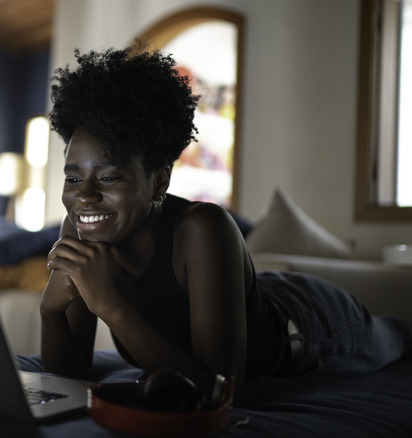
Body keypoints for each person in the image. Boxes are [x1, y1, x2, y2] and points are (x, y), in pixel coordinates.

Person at [40, 42, 412, 405]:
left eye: (108, 177)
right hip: (251, 295)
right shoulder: (81, 230)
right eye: (73, 179)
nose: (84, 196)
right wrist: (50, 310)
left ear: (159, 181)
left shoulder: (202, 227)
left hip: (314, 324)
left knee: (399, 335)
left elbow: (219, 391)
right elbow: (69, 375)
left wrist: (108, 303)